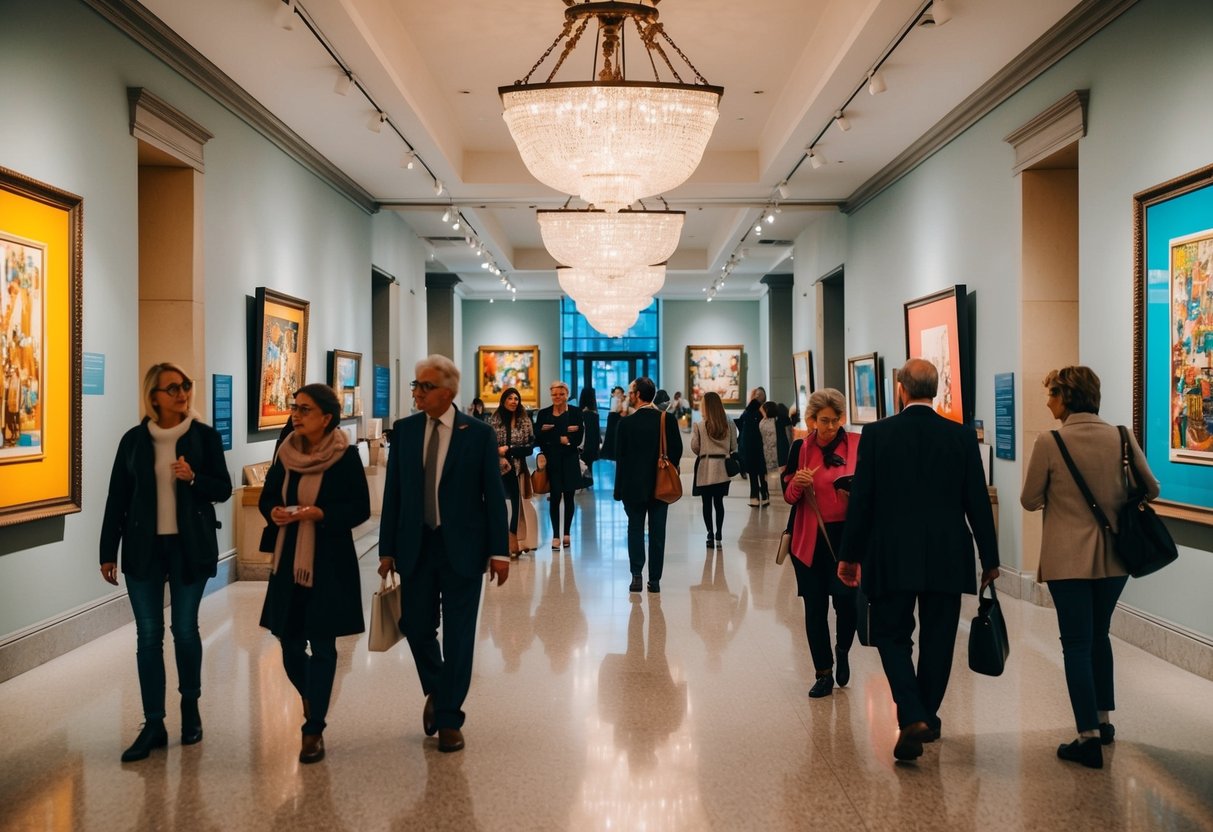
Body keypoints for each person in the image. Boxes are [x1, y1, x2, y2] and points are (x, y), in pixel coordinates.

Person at [838, 358, 999, 762]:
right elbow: (976, 501)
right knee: (939, 639)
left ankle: (912, 714)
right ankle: (924, 714)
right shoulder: (961, 437)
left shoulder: (876, 435)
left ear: (901, 390)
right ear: (938, 389)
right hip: (949, 553)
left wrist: (849, 555)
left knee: (892, 635)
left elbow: (863, 501)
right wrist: (990, 558)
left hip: (891, 552)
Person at [1021, 366, 1159, 769]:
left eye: (1051, 394)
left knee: (1076, 644)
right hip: (1116, 558)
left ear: (1067, 396)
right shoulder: (1120, 435)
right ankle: (1104, 719)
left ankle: (1087, 737)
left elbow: (1030, 499)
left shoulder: (1050, 442)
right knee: (1100, 635)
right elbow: (1151, 488)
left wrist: (1062, 501)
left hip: (1068, 560)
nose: (1047, 402)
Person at [99, 362, 232, 762]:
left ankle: (189, 707)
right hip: (143, 549)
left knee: (185, 630)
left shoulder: (204, 437)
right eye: (172, 388)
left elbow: (223, 488)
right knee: (148, 635)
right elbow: (117, 497)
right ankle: (153, 723)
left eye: (186, 386)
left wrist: (193, 478)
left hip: (189, 547)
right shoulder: (134, 441)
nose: (182, 394)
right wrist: (107, 551)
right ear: (153, 396)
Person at [378, 355, 510, 753]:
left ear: (447, 393)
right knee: (415, 626)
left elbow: (492, 495)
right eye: (415, 386)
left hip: (464, 548)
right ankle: (438, 690)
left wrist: (500, 551)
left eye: (424, 386)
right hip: (416, 546)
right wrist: (386, 549)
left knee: (459, 635)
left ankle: (450, 718)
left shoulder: (478, 434)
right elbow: (394, 494)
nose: (416, 392)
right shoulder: (405, 430)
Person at [259, 383, 370, 764]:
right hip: (288, 558)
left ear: (326, 418)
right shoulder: (285, 449)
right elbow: (268, 495)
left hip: (328, 561)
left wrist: (320, 514)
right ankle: (311, 694)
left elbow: (359, 507)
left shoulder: (345, 456)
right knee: (289, 643)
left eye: (305, 409)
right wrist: (273, 511)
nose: (296, 414)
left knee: (322, 646)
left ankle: (314, 728)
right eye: (295, 407)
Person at [782, 389, 860, 698]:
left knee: (847, 604)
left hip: (846, 539)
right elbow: (789, 497)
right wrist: (798, 486)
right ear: (812, 419)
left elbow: (870, 493)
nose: (829, 428)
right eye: (823, 421)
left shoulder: (857, 445)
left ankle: (842, 649)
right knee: (815, 608)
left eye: (835, 420)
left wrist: (854, 495)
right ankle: (823, 672)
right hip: (809, 539)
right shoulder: (801, 448)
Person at [613, 377, 683, 593]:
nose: (629, 394)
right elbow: (677, 451)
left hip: (633, 487)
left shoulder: (625, 423)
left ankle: (636, 575)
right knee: (657, 532)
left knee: (634, 530)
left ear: (637, 395)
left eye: (631, 391)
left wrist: (619, 491)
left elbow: (620, 458)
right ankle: (655, 580)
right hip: (660, 485)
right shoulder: (666, 419)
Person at [535, 380, 583, 550]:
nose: (558, 397)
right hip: (552, 461)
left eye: (561, 394)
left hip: (570, 460)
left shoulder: (576, 412)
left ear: (567, 395)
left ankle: (567, 534)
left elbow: (578, 438)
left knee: (569, 497)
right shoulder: (544, 414)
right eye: (554, 394)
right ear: (551, 395)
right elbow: (538, 437)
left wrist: (556, 437)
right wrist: (559, 439)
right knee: (554, 497)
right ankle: (555, 535)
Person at [490, 386, 534, 556]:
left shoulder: (524, 420)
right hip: (497, 468)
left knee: (517, 505)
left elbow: (529, 447)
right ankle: (499, 540)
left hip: (517, 469)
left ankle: (514, 540)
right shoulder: (494, 420)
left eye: (516, 399)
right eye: (510, 398)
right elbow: (488, 445)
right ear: (503, 401)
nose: (514, 402)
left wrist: (509, 450)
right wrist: (498, 453)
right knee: (499, 504)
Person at [691, 391, 737, 547]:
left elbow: (695, 447)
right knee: (719, 503)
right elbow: (733, 446)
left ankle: (709, 534)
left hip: (705, 466)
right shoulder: (729, 423)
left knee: (706, 504)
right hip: (722, 468)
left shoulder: (699, 425)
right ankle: (719, 533)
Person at [737, 397, 768, 507]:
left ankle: (754, 499)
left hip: (749, 450)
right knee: (762, 475)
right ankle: (765, 497)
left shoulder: (745, 415)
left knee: (753, 476)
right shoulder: (760, 416)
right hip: (760, 449)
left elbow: (739, 427)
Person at [578, 386, 602, 487]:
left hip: (582, 444)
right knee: (589, 464)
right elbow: (597, 432)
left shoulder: (578, 414)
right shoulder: (594, 415)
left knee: (581, 464)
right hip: (592, 445)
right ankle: (588, 481)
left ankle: (583, 481)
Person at [760, 401, 780, 474]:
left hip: (768, 451)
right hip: (778, 451)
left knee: (771, 474)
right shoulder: (778, 421)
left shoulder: (763, 423)